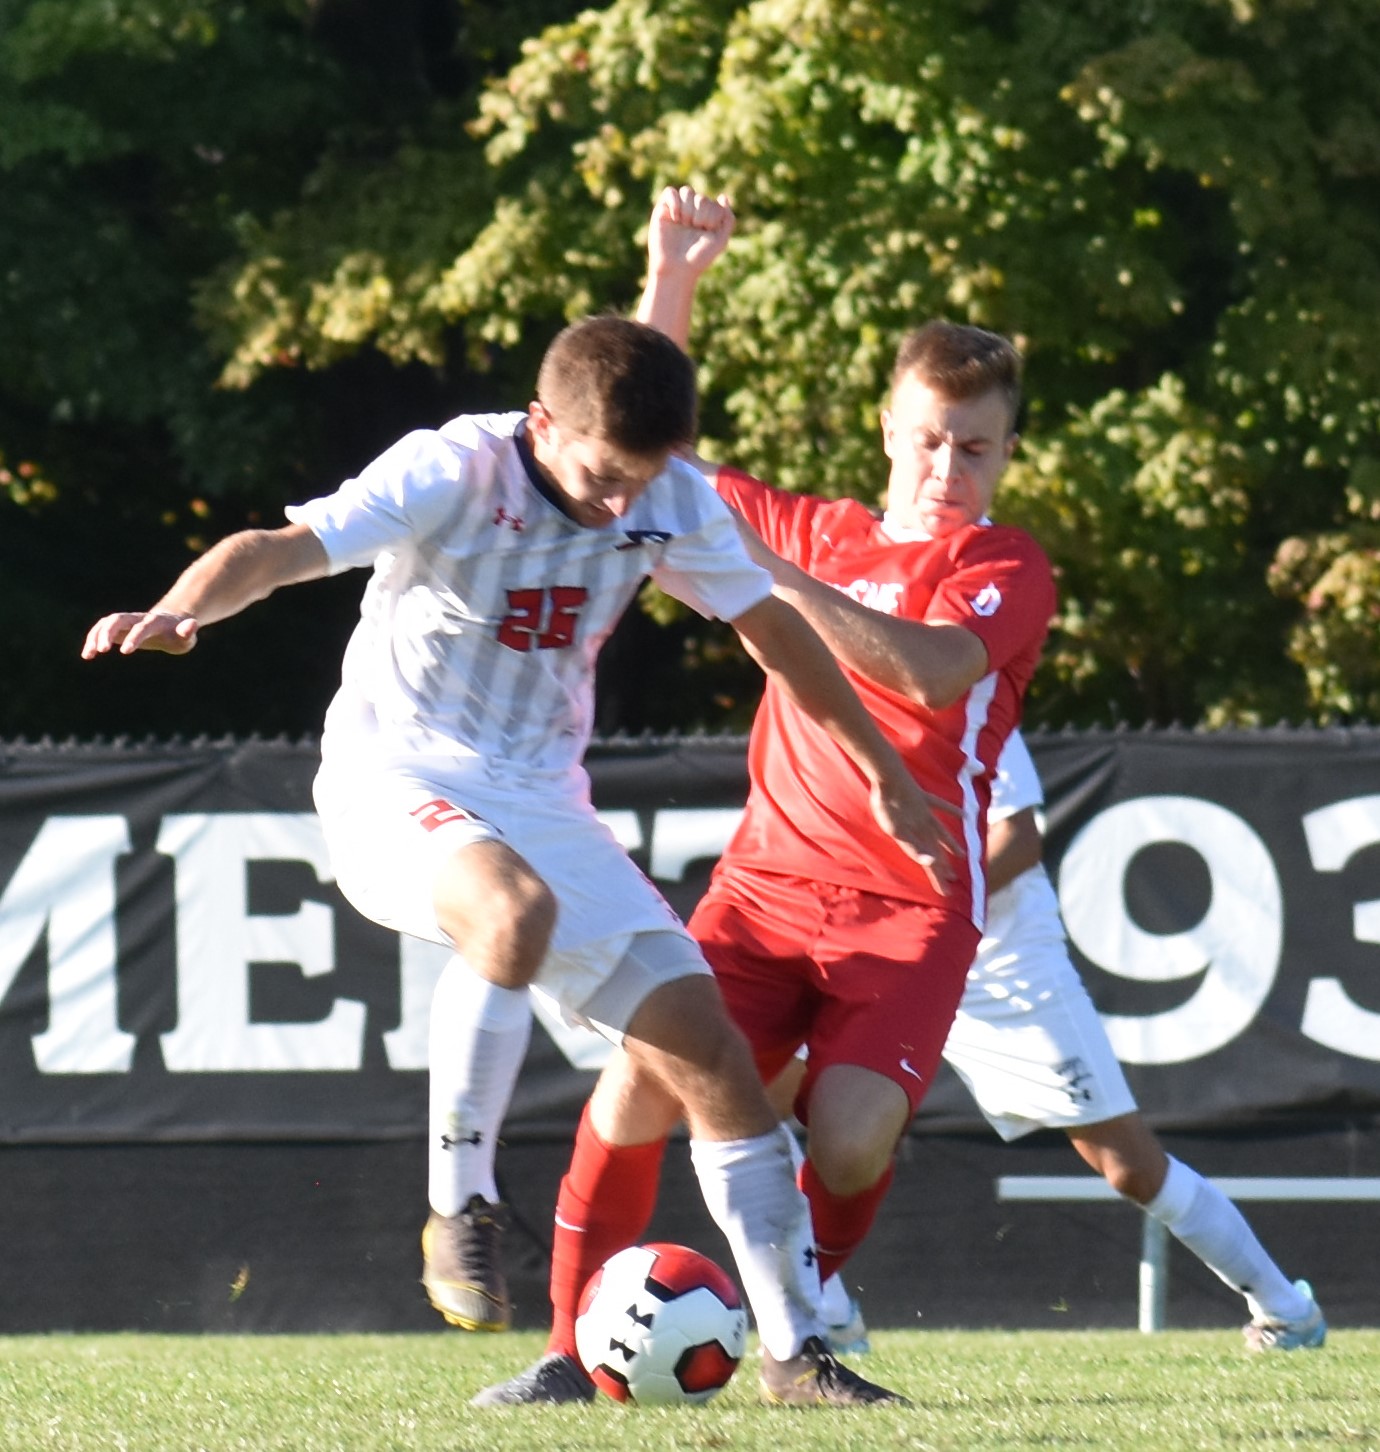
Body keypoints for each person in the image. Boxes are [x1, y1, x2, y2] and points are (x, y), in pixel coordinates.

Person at [82, 311, 961, 1407]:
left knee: (711, 1055)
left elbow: (775, 631)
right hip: (393, 776)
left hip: (543, 800)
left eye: (639, 482)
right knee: (512, 916)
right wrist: (180, 610)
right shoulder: (452, 469)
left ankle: (790, 1353)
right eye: (601, 476)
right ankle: (460, 1205)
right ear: (543, 424)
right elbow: (276, 552)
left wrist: (877, 763)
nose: (618, 506)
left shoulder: (666, 496)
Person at [473, 186, 1057, 1404]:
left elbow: (932, 669)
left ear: (1008, 451)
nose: (948, 466)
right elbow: (634, 442)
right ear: (889, 428)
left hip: (911, 901)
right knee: (638, 1079)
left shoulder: (1005, 565)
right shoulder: (815, 519)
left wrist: (763, 573)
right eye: (929, 437)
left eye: (977, 446)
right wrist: (671, 279)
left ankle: (812, 1313)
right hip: (767, 884)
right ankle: (569, 1351)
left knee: (848, 1136)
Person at [800, 728, 1326, 1352]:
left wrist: (919, 903)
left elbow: (1018, 838)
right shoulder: (824, 706)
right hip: (884, 957)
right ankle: (823, 1314)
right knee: (770, 1086)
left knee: (1128, 1167)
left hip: (1001, 969)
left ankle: (1287, 1311)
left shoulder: (964, 701)